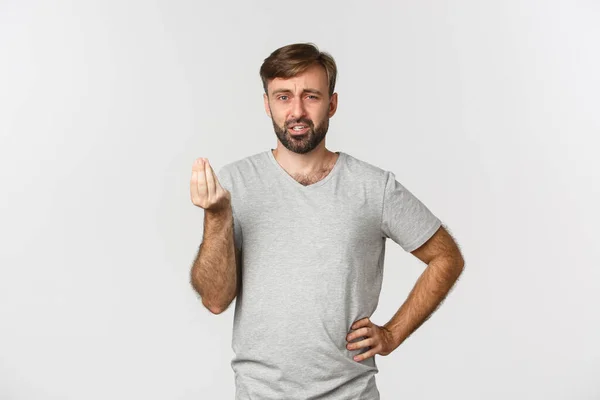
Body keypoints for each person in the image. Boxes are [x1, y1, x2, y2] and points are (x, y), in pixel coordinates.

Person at [189, 43, 465, 400]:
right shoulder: (234, 183)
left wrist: (393, 334)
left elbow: (447, 257)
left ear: (332, 104)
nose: (297, 111)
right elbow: (215, 300)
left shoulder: (373, 187)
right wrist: (216, 215)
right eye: (283, 97)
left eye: (311, 97)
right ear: (267, 104)